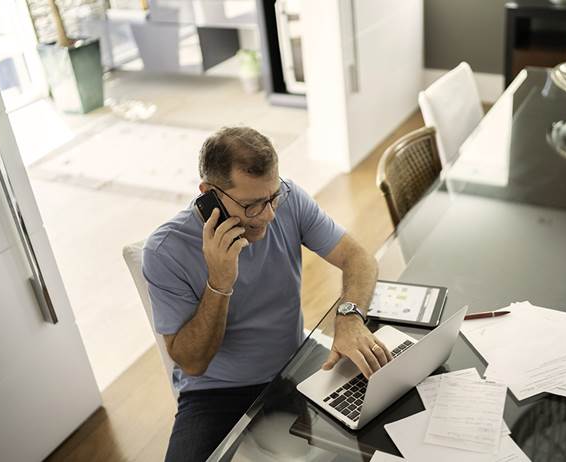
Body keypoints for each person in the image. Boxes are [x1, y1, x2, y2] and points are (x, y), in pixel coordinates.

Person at [142, 126, 391, 461]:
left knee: (384, 424)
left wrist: (348, 317)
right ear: (208, 193)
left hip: (295, 365)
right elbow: (193, 363)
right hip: (215, 393)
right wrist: (219, 282)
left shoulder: (289, 200)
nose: (269, 215)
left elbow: (358, 258)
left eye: (272, 197)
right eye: (251, 205)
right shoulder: (165, 251)